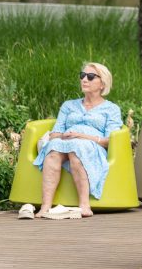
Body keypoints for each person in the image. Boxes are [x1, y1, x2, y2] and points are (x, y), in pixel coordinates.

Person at [33, 62, 122, 219]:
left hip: (92, 145)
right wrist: (63, 136)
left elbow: (110, 140)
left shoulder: (111, 109)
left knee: (77, 148)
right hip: (65, 141)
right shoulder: (68, 105)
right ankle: (45, 205)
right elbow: (55, 133)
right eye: (82, 76)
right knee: (53, 149)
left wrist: (83, 136)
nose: (84, 79)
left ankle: (84, 205)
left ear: (102, 83)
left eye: (90, 76)